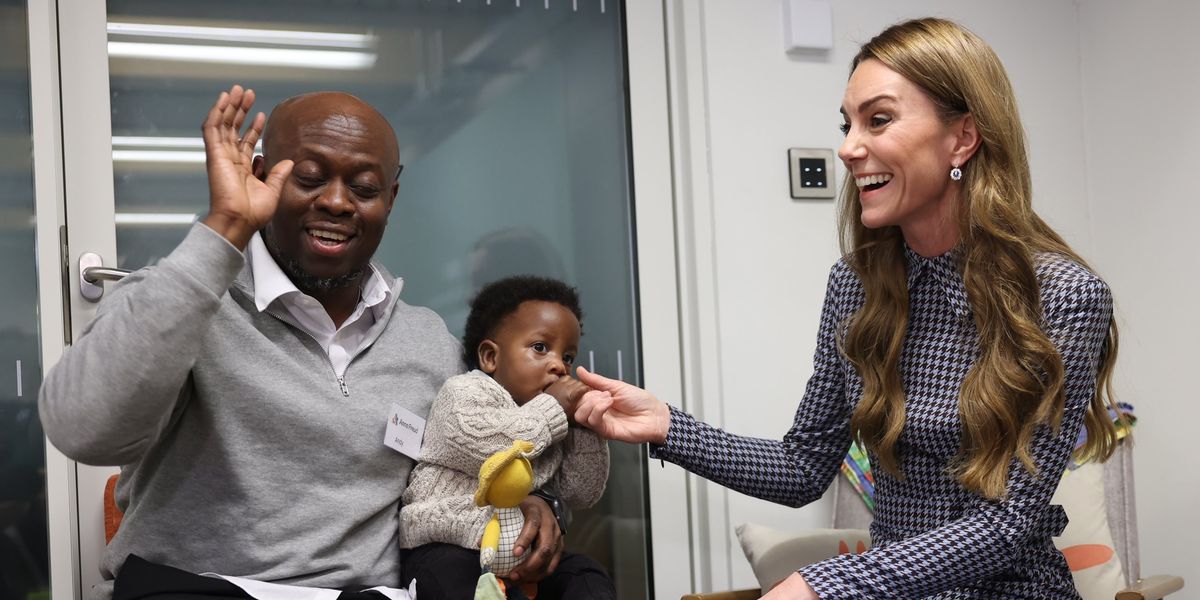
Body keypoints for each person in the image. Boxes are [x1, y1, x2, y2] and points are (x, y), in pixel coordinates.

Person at [573, 17, 1122, 600]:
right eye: (848, 123)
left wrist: (823, 585)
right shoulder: (857, 287)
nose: (848, 147)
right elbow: (804, 467)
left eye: (878, 119)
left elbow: (1003, 526)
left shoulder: (1063, 296)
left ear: (962, 137)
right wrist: (668, 426)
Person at [38, 86, 565, 599]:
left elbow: (477, 457)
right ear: (262, 175)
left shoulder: (429, 343)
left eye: (363, 188)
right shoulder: (183, 300)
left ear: (391, 198)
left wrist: (531, 502)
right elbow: (82, 429)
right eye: (309, 178)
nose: (336, 202)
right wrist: (224, 230)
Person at [399, 275, 614, 599]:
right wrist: (553, 407)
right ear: (490, 357)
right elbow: (499, 449)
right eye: (540, 348)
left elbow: (581, 492)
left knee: (584, 574)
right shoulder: (464, 392)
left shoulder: (550, 419)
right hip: (445, 545)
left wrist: (586, 428)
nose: (559, 366)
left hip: (515, 548)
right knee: (457, 582)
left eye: (568, 356)